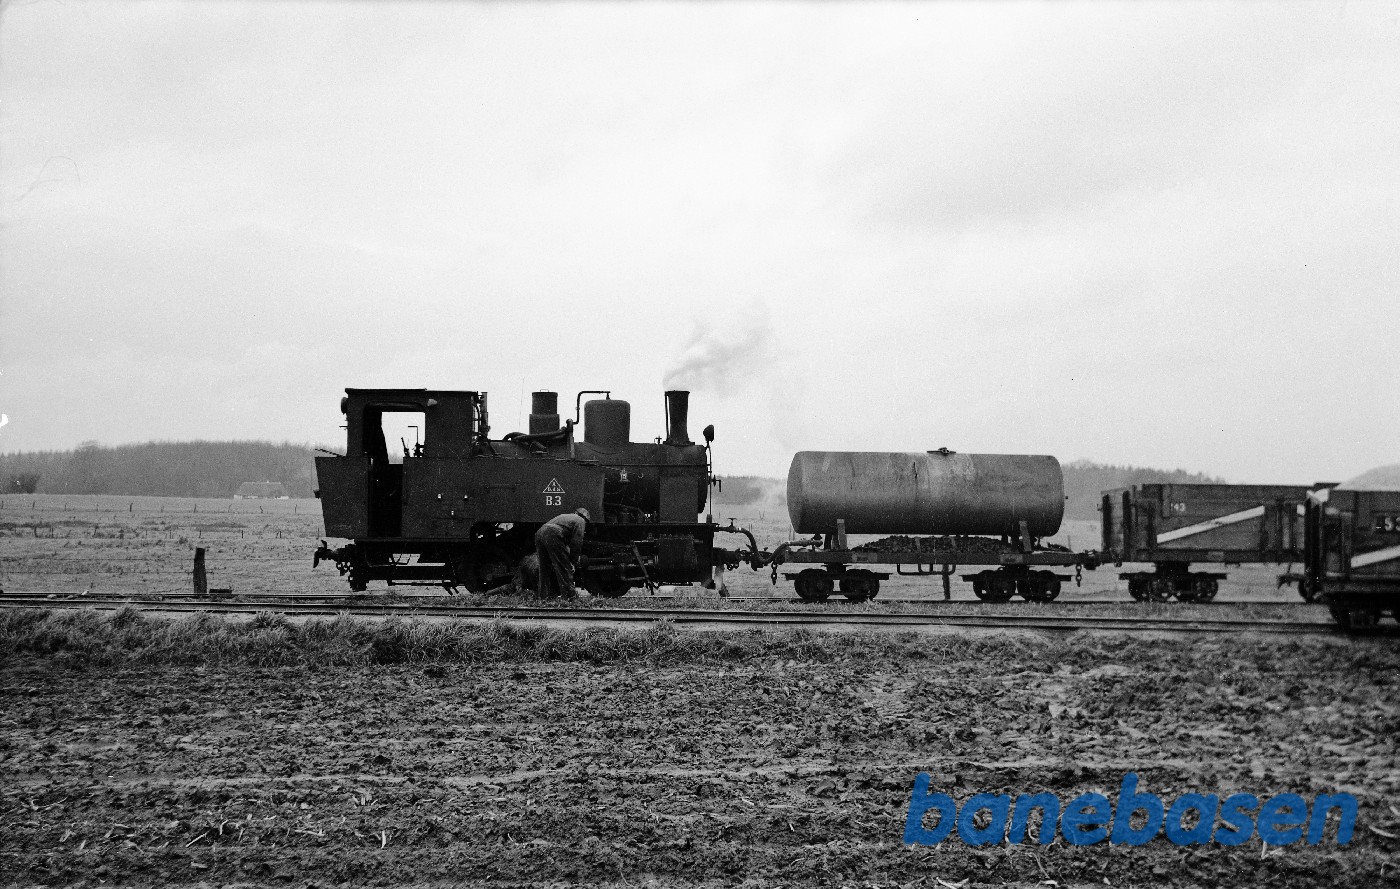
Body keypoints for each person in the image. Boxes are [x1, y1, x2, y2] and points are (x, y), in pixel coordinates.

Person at [534, 507, 590, 598]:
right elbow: (576, 543)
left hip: (540, 533)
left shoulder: (565, 517)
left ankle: (543, 597)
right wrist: (573, 562)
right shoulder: (580, 521)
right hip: (553, 534)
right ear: (585, 518)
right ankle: (569, 597)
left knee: (544, 568)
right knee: (564, 567)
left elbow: (564, 543)